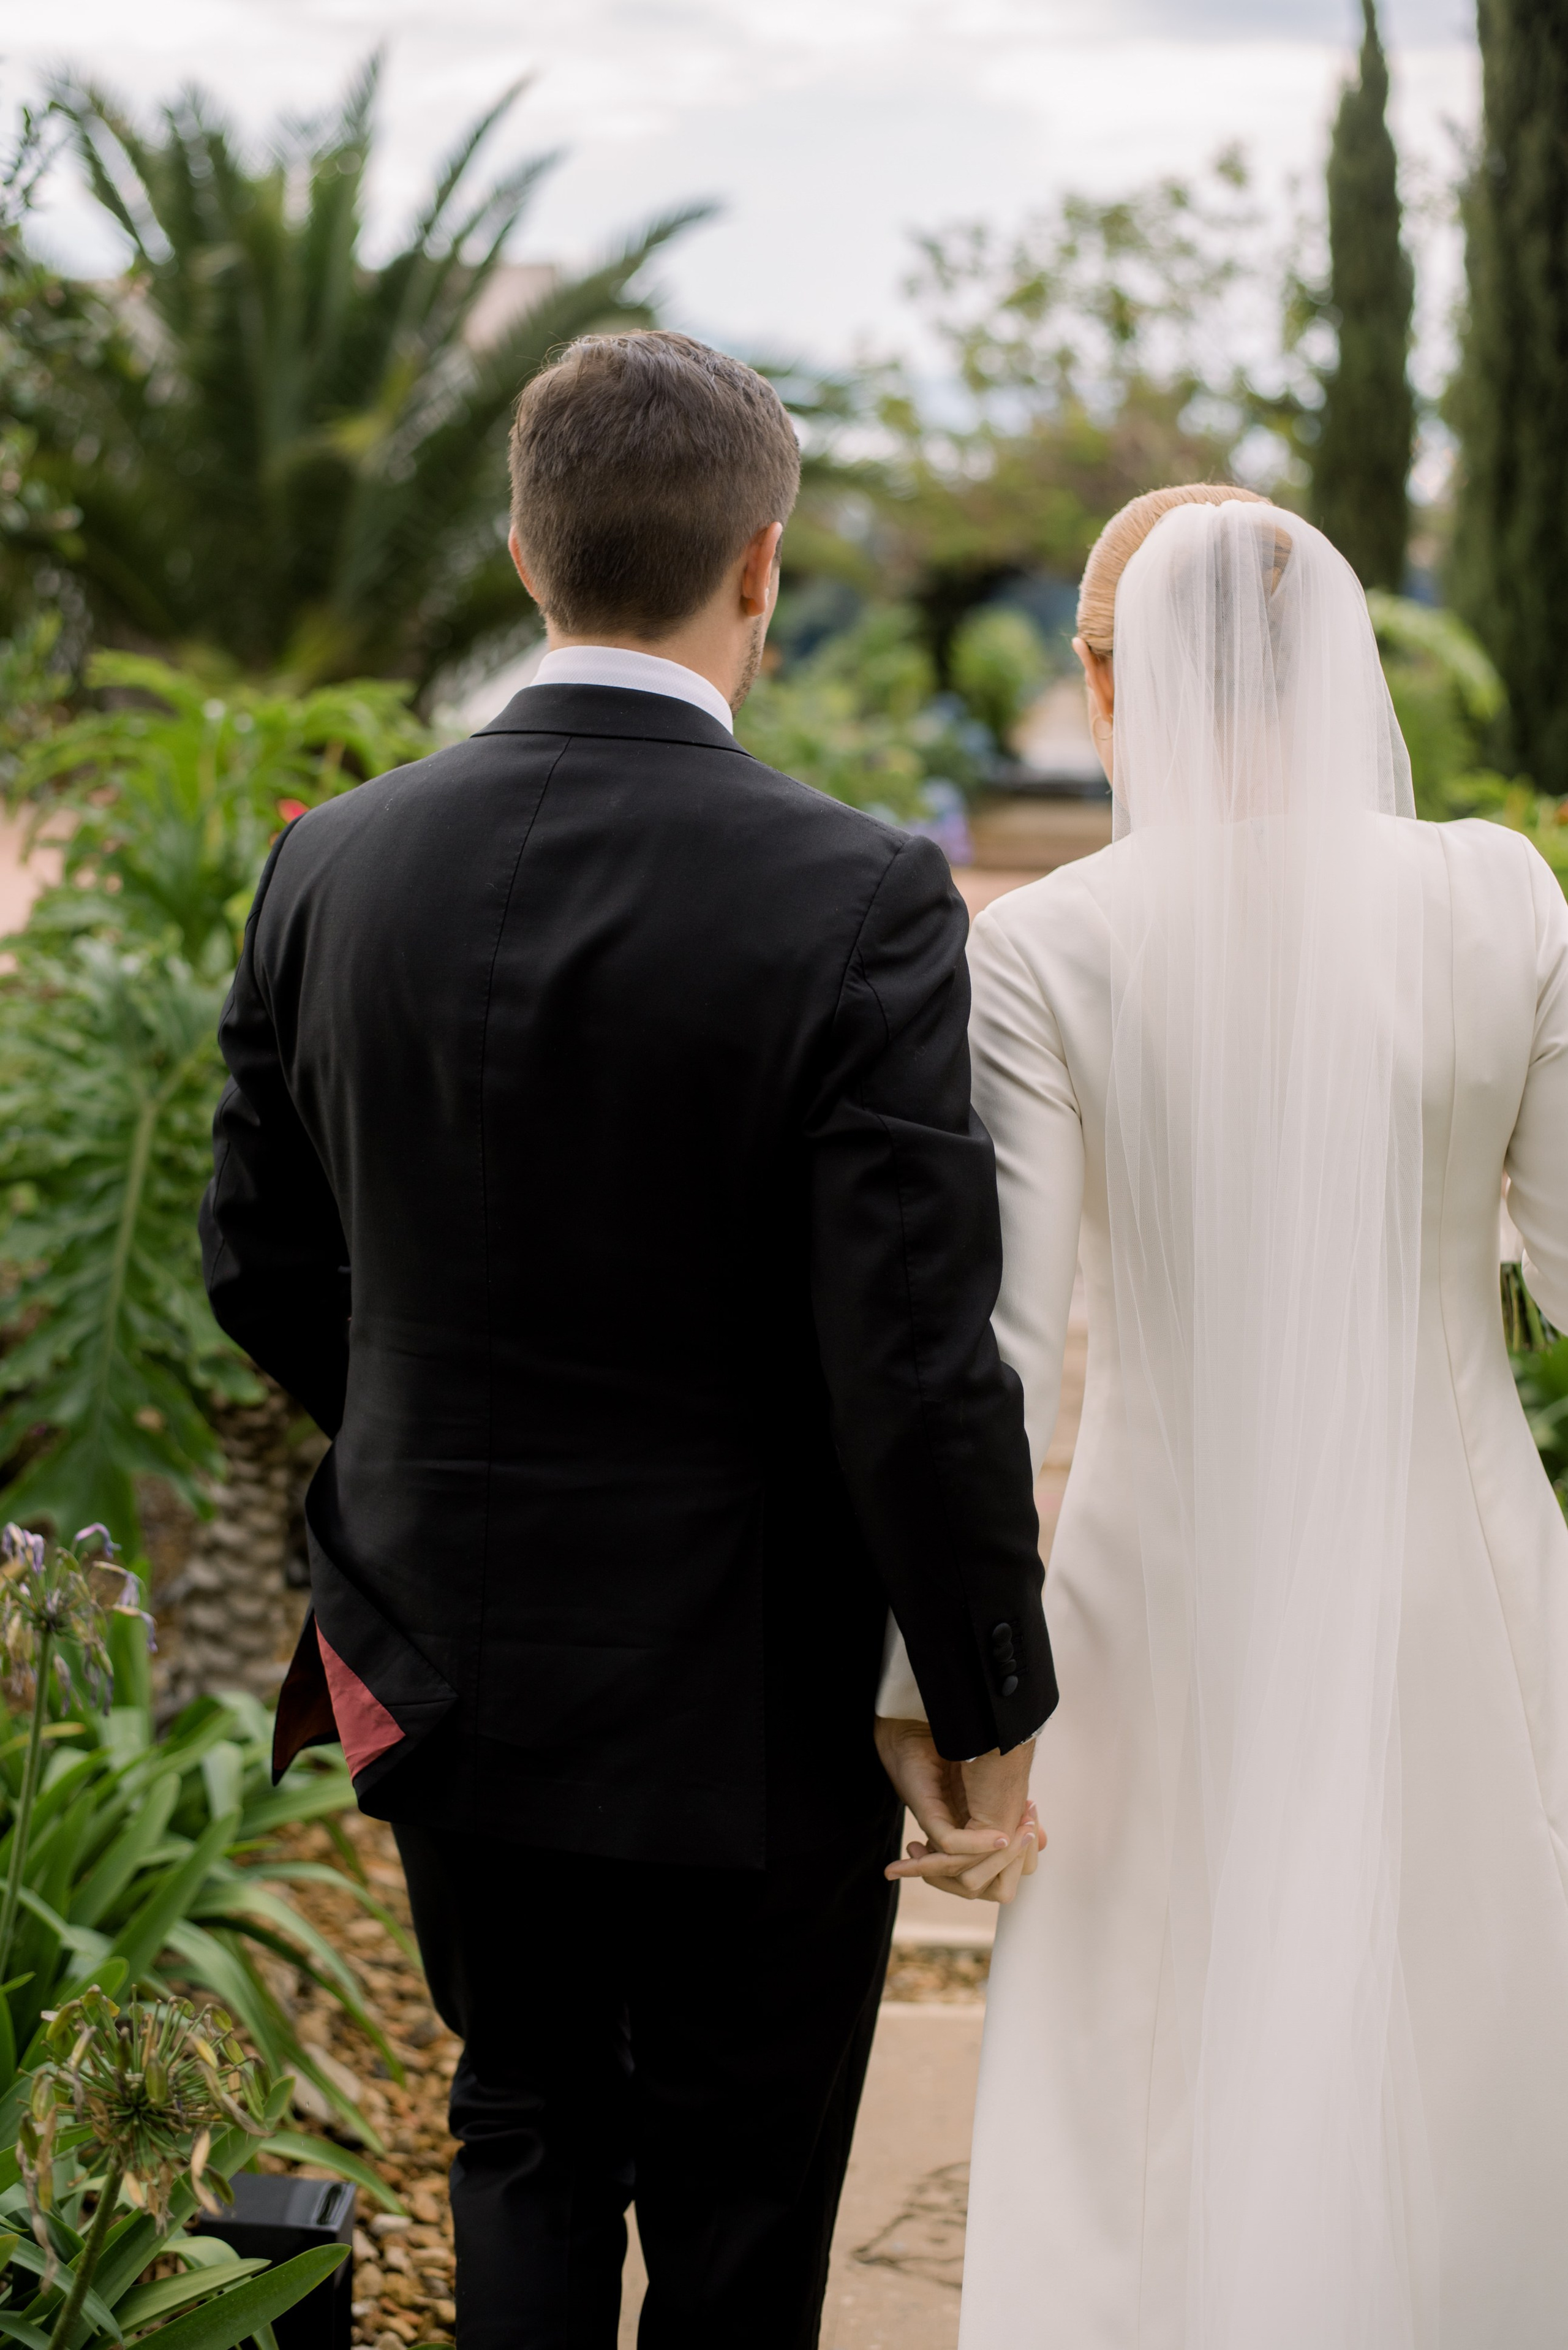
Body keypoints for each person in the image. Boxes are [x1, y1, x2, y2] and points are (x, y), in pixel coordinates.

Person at [198, 328, 1051, 2350]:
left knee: (525, 2129)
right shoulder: (858, 893)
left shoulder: (330, 862)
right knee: (747, 2197)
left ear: (524, 550)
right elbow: (913, 1362)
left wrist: (421, 1427)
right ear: (761, 566)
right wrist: (986, 1702)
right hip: (744, 1686)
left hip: (437, 1643)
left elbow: (257, 1257)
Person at [880, 485, 1568, 2347]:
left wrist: (939, 1691)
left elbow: (993, 1365)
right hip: (1463, 1567)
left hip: (1160, 1596)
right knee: (1469, 2034)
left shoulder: (1042, 948)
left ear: (1112, 688)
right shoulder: (1503, 896)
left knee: (1146, 2076)